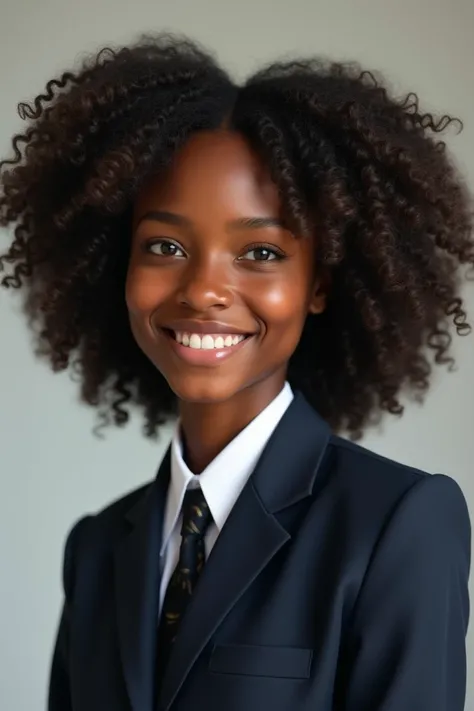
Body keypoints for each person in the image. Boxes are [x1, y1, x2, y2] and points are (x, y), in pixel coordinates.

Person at [0, 32, 472, 711]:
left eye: (258, 251)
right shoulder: (98, 548)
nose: (202, 290)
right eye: (164, 245)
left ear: (320, 283)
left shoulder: (397, 525)